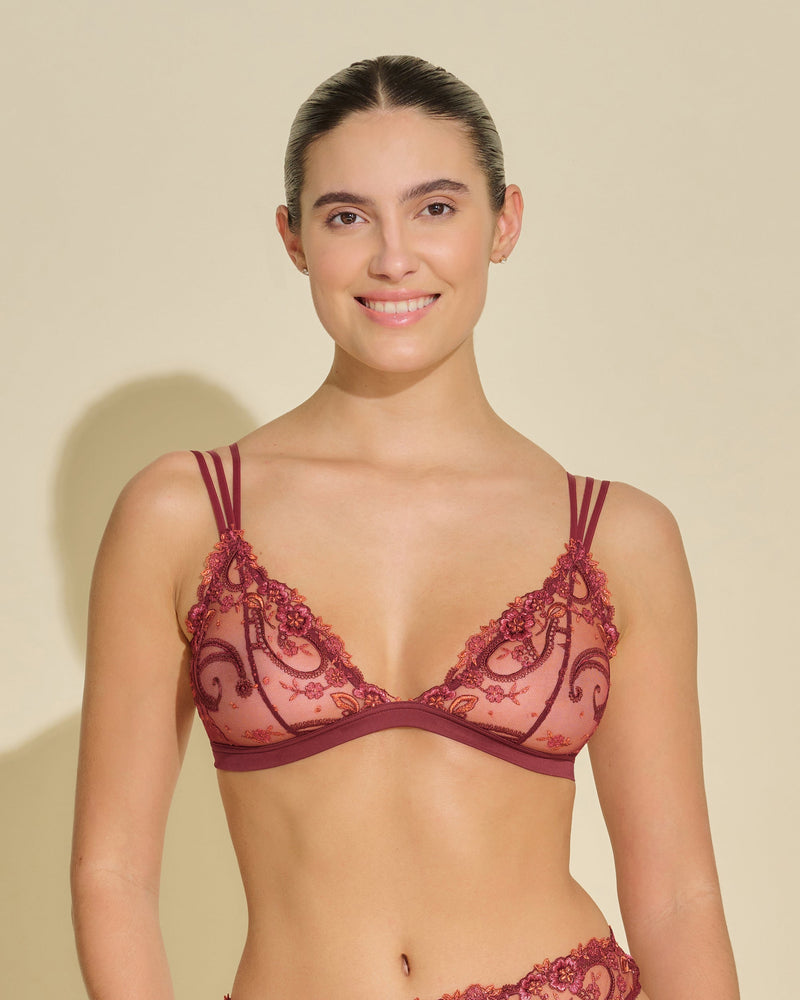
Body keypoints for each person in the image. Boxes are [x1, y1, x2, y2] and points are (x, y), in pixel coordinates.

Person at [71, 55, 739, 1000]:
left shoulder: (616, 536)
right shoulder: (183, 515)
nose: (394, 258)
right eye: (347, 217)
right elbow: (112, 874)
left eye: (435, 208)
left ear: (503, 222)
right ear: (294, 239)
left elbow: (676, 897)